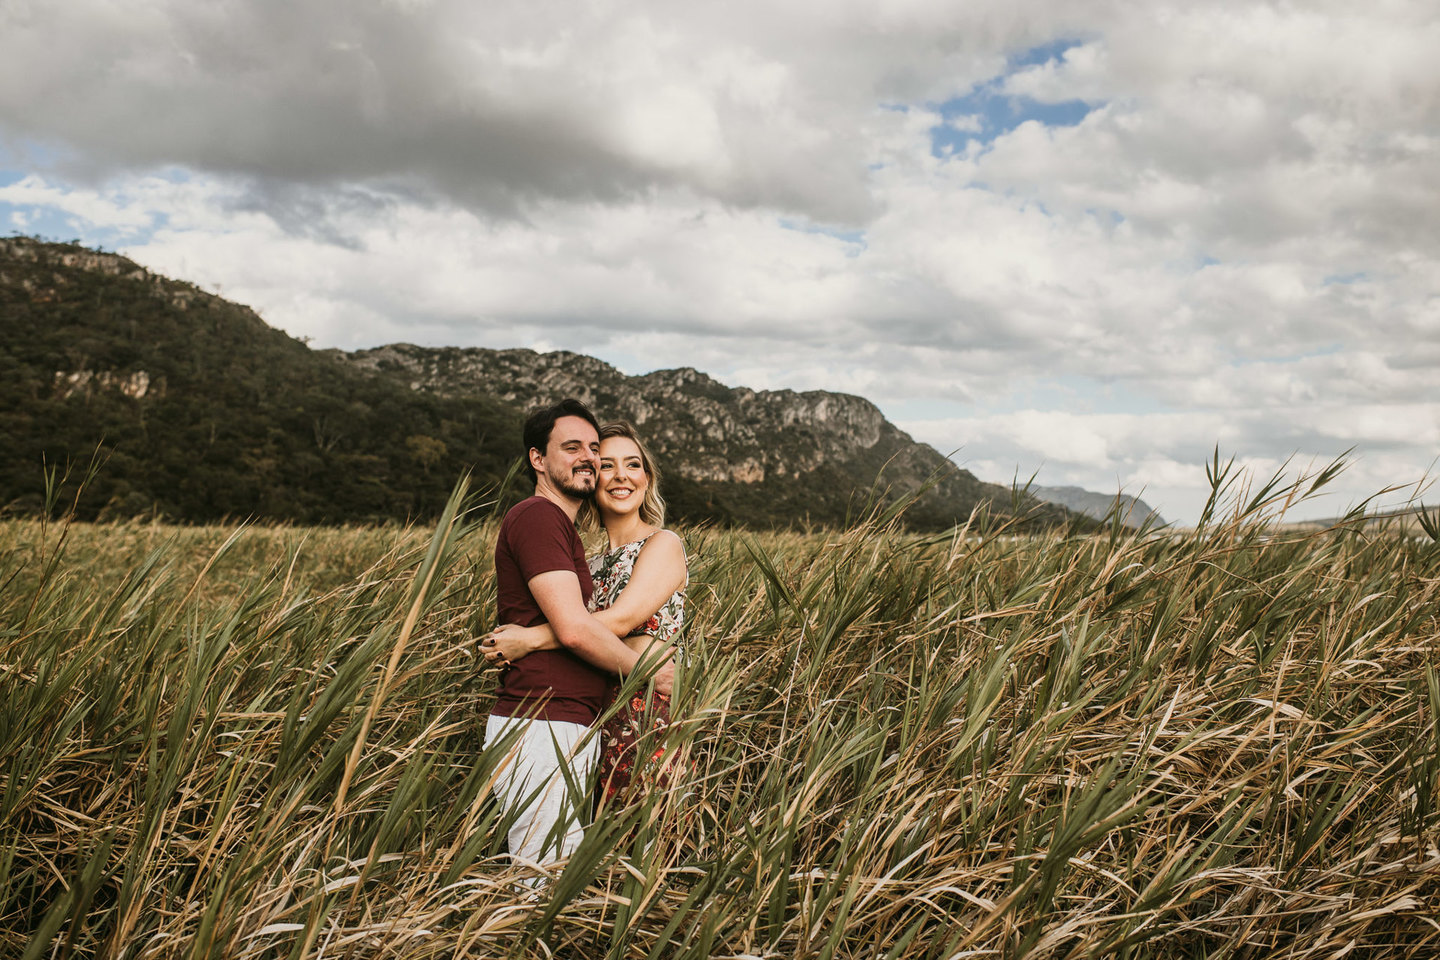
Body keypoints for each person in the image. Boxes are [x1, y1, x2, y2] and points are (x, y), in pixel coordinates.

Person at [485, 400, 675, 872]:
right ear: (537, 459)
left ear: (648, 478)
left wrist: (530, 639)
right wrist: (645, 671)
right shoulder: (547, 523)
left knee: (621, 861)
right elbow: (579, 628)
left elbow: (608, 621)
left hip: (622, 717)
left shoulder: (661, 543)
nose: (606, 469)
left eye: (632, 464)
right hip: (553, 719)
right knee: (550, 875)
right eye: (583, 451)